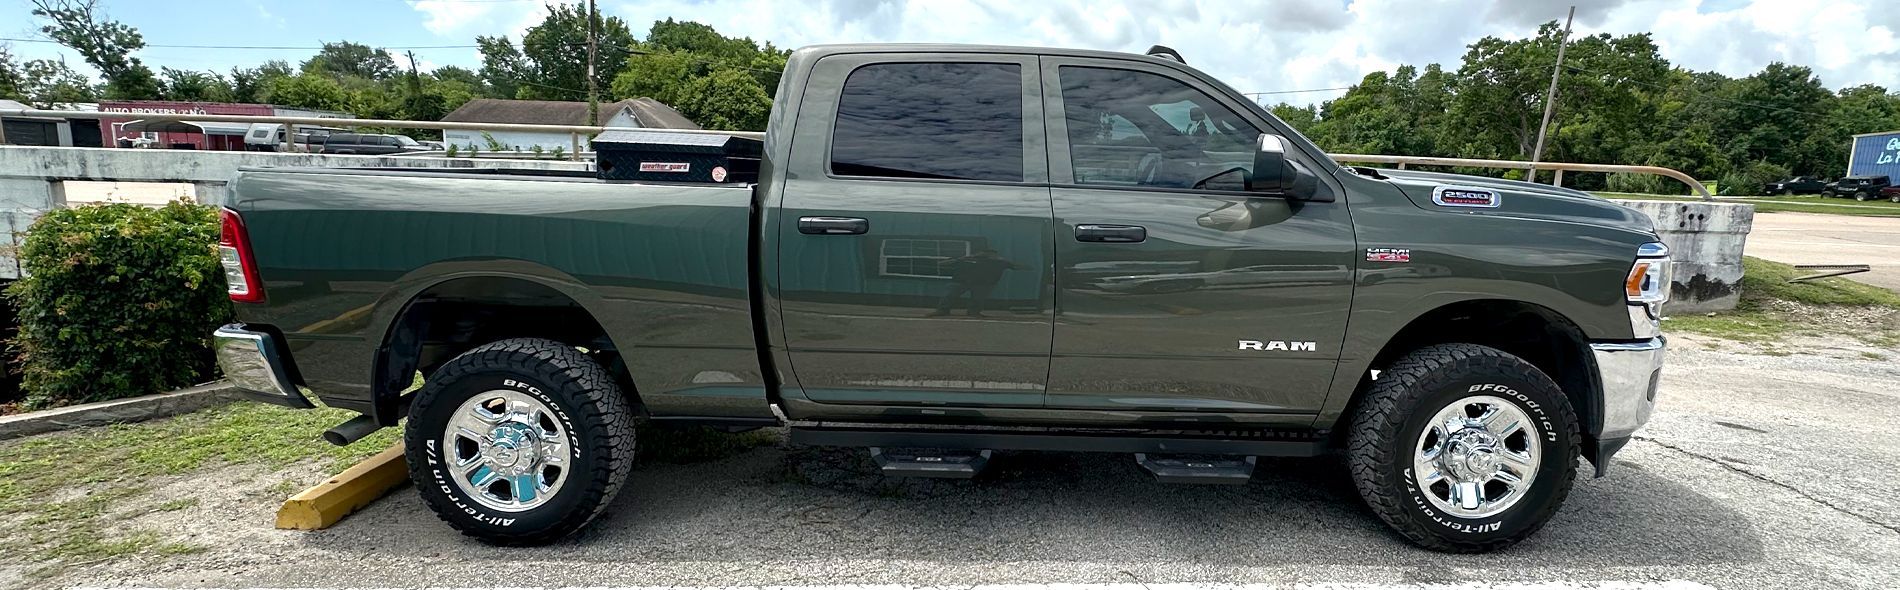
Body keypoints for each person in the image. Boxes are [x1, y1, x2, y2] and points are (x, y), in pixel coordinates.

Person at [929, 249, 1020, 317]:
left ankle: (974, 312)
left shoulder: (999, 262)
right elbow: (941, 264)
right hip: (960, 281)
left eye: (990, 254)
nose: (986, 255)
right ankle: (942, 310)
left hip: (983, 284)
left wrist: (1005, 260)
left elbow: (1020, 267)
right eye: (983, 252)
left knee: (978, 299)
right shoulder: (966, 259)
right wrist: (959, 259)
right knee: (949, 296)